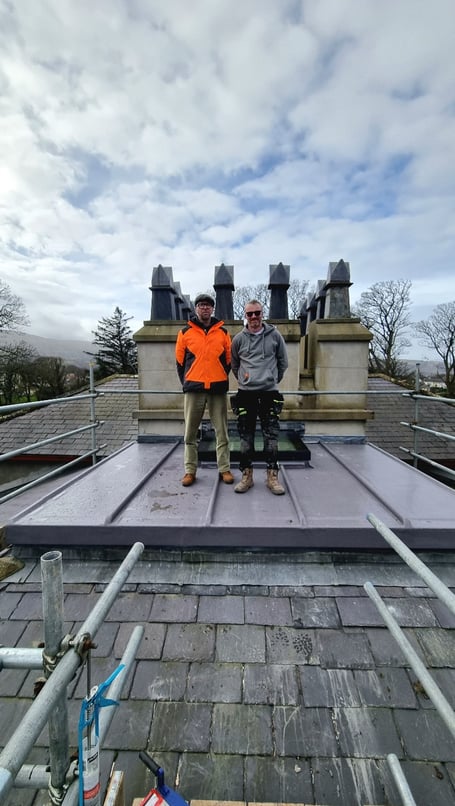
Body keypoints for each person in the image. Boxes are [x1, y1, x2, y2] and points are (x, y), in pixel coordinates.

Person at [175, 292, 234, 487]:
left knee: (222, 432)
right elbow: (180, 362)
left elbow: (228, 361)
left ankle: (224, 468)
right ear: (196, 308)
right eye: (201, 305)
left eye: (208, 305)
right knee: (190, 434)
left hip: (217, 389)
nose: (205, 308)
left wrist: (218, 376)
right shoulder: (185, 333)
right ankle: (190, 470)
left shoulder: (223, 333)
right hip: (194, 389)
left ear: (212, 309)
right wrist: (189, 381)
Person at [231, 299, 288, 495]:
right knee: (245, 437)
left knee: (271, 436)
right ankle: (247, 476)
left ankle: (272, 476)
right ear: (245, 316)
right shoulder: (238, 339)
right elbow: (235, 364)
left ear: (262, 313)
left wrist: (270, 379)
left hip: (269, 393)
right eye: (250, 314)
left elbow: (283, 362)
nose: (254, 317)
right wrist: (246, 380)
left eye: (257, 313)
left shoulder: (275, 336)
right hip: (245, 394)